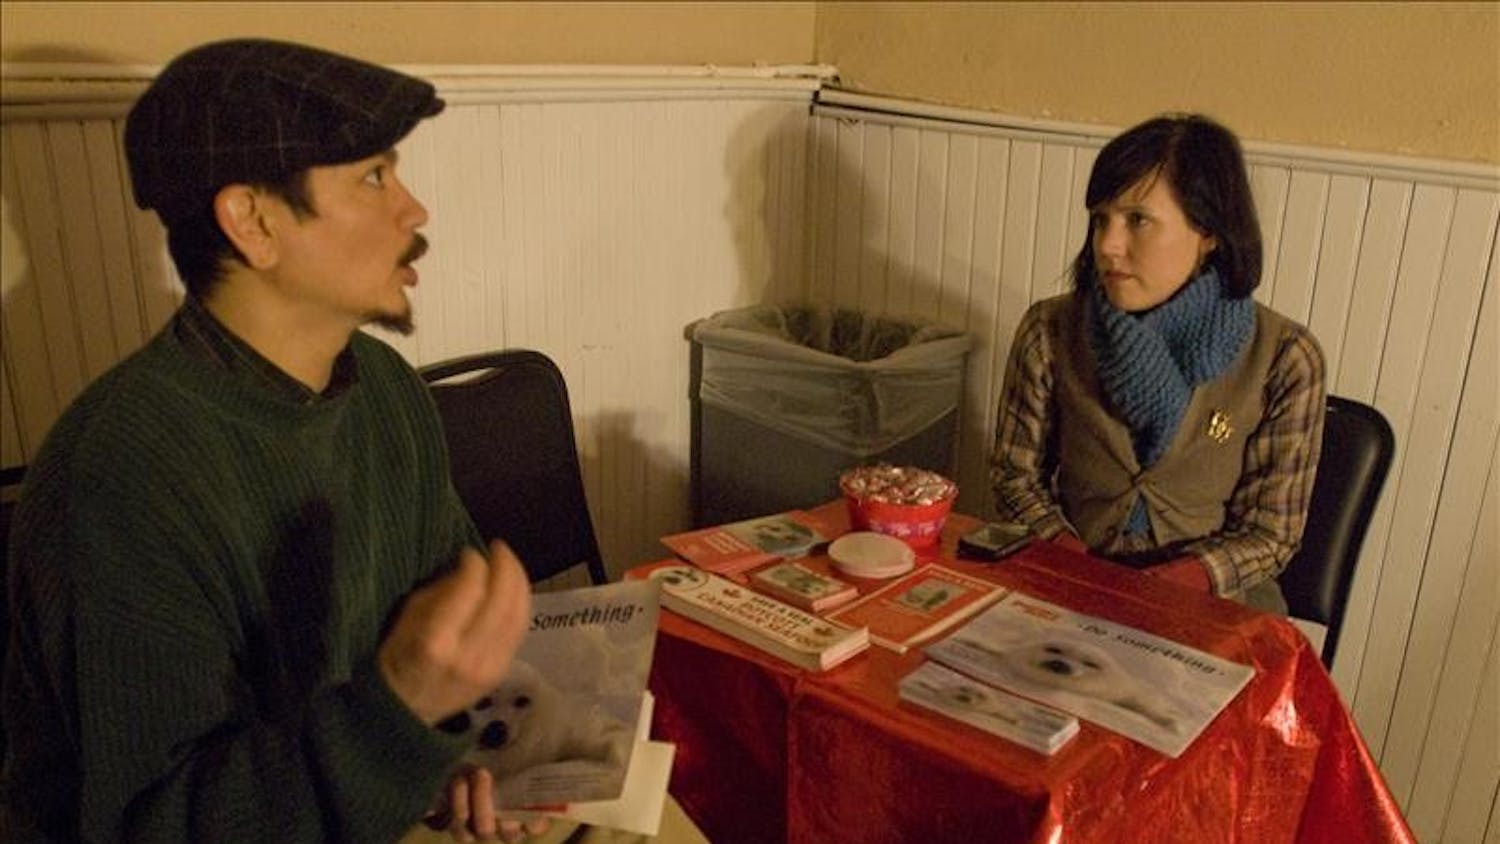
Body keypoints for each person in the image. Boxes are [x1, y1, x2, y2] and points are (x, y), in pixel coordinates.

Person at [3, 39, 545, 843]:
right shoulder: (122, 474)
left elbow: (443, 639)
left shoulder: (386, 390)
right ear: (252, 222)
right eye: (373, 177)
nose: (414, 209)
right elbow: (150, 825)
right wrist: (397, 718)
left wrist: (445, 748)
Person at [990, 113, 1326, 612]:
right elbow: (1014, 478)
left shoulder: (1285, 357)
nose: (1107, 245)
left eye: (1137, 220)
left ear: (1208, 230)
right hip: (1069, 583)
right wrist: (1074, 564)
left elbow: (1270, 533)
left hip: (1213, 604)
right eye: (1100, 218)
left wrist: (1174, 584)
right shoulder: (1049, 329)